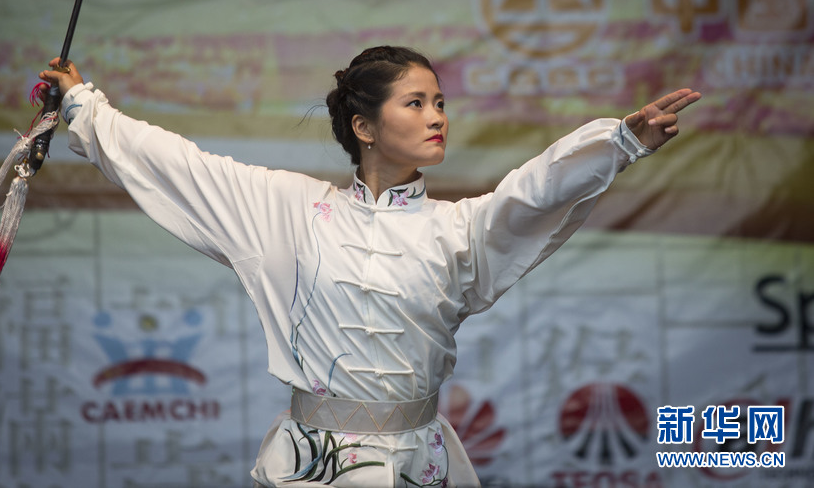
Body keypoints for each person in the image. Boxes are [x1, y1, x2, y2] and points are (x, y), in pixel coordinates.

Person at [38, 46, 699, 487]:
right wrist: (81, 104)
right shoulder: (288, 210)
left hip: (422, 459)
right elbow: (178, 165)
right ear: (364, 126)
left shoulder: (457, 228)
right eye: (416, 102)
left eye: (440, 102)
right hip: (313, 465)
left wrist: (618, 141)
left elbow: (533, 192)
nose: (437, 116)